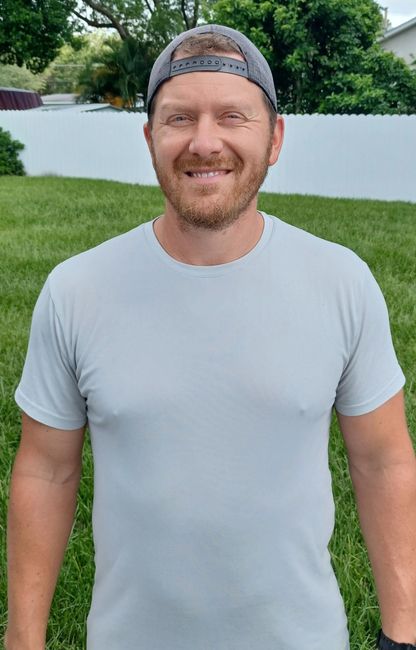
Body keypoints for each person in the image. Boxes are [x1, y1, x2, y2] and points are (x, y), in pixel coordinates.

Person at [5, 23, 416, 650]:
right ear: (149, 138)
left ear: (274, 137)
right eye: (178, 119)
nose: (204, 142)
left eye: (232, 116)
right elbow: (46, 471)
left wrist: (405, 629)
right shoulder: (76, 290)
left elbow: (383, 460)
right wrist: (24, 636)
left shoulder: (341, 282)